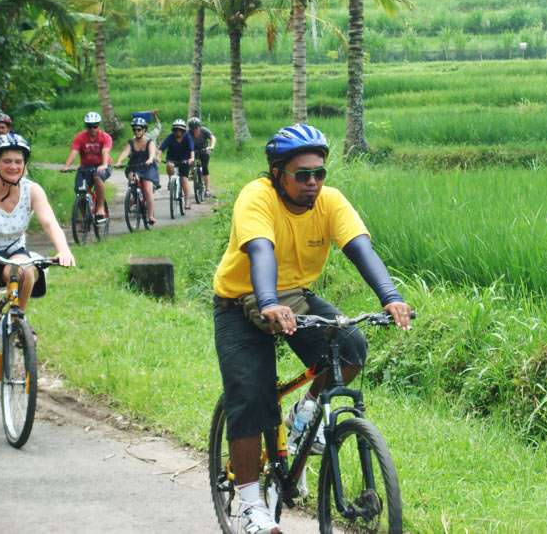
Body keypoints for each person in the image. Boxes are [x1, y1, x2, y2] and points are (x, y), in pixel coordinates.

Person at [211, 124, 411, 534]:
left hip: (294, 296)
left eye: (319, 173)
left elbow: (360, 249)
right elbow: (260, 251)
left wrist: (389, 296)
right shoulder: (257, 197)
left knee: (351, 346)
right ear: (277, 172)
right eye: (302, 174)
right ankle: (251, 503)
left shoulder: (330, 202)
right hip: (239, 300)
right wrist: (268, 304)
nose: (313, 183)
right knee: (252, 396)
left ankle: (305, 416)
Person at [0, 133, 75, 415]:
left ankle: (17, 318)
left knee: (26, 269)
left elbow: (49, 222)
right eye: (7, 161)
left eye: (18, 161)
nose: (13, 166)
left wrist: (64, 249)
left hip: (12, 253)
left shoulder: (32, 190)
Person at [60, 112, 112, 221]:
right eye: (89, 126)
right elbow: (74, 152)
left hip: (101, 166)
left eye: (95, 126)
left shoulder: (105, 137)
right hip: (85, 167)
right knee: (80, 191)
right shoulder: (80, 137)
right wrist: (66, 166)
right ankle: (85, 219)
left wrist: (104, 164)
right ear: (86, 126)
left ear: (99, 125)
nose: (92, 129)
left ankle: (100, 207)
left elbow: (105, 151)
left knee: (97, 177)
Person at [114, 116, 160, 225]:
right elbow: (125, 152)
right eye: (134, 129)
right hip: (134, 167)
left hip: (147, 167)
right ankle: (134, 197)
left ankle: (150, 216)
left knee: (147, 190)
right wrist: (119, 161)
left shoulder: (150, 142)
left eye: (139, 129)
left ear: (144, 130)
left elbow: (152, 153)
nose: (137, 131)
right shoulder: (131, 142)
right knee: (132, 180)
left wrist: (149, 159)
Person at [157, 119, 194, 208]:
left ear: (183, 130)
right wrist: (158, 157)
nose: (178, 131)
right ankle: (171, 180)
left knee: (184, 180)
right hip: (172, 159)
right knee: (169, 165)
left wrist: (192, 158)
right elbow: (161, 149)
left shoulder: (187, 137)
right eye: (176, 129)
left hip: (185, 160)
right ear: (173, 130)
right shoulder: (170, 137)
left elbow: (192, 150)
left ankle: (187, 201)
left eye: (180, 129)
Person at [187, 117, 216, 199]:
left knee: (205, 168)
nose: (195, 130)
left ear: (199, 127)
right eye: (193, 128)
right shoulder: (188, 134)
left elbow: (212, 138)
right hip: (193, 151)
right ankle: (193, 173)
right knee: (190, 162)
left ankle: (207, 190)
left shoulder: (204, 130)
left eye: (196, 128)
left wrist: (211, 147)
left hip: (204, 150)